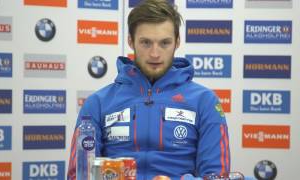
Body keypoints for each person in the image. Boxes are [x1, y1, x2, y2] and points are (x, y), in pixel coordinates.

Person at [67, 0, 230, 179]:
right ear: (131, 41)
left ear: (177, 42)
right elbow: (79, 175)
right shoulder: (97, 103)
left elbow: (217, 175)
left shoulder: (204, 101)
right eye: (145, 43)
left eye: (164, 43)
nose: (155, 54)